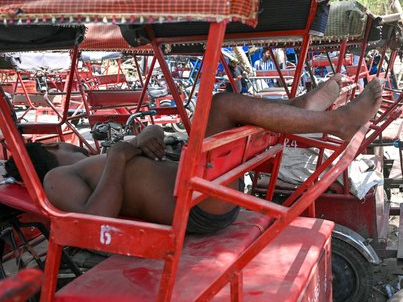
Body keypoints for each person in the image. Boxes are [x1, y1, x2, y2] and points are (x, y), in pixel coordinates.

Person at [5, 76, 382, 235]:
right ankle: (332, 122)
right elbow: (94, 224)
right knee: (221, 105)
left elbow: (131, 168)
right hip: (195, 207)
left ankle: (304, 109)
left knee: (223, 105)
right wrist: (120, 156)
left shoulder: (90, 162)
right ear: (52, 147)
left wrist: (145, 137)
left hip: (200, 190)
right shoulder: (54, 179)